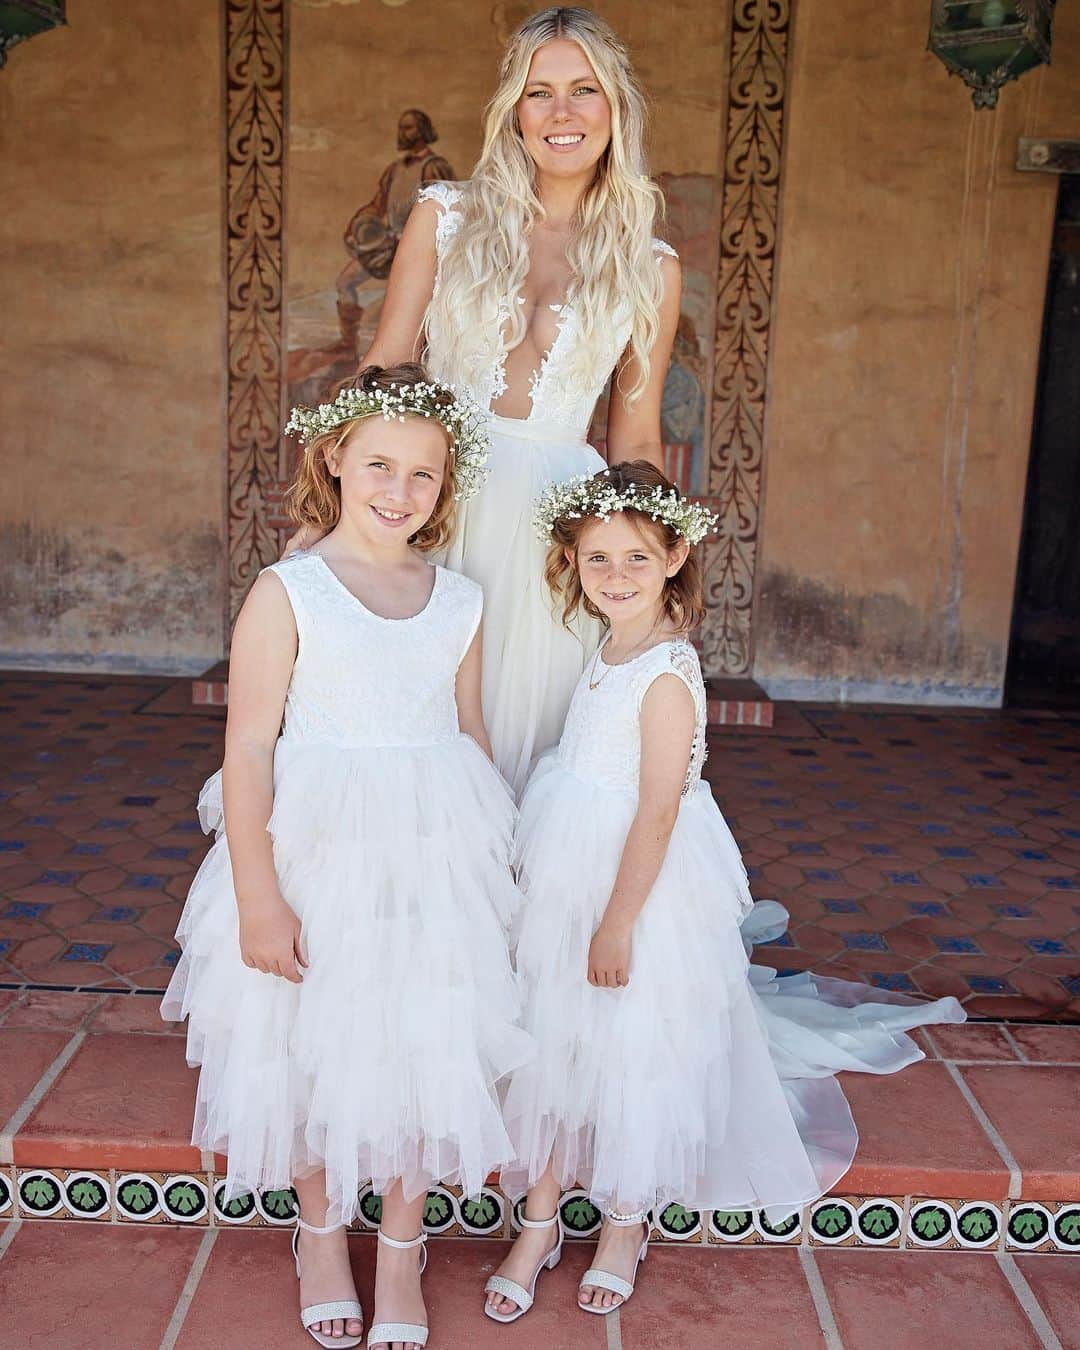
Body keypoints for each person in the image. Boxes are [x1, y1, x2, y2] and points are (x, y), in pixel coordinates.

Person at [482, 463, 967, 1322]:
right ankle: (541, 1218)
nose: (616, 576)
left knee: (637, 1044)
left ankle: (626, 1221)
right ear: (573, 565)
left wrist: (618, 923)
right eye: (597, 560)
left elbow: (661, 809)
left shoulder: (667, 671)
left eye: (635, 558)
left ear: (674, 555)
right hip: (572, 856)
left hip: (639, 885)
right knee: (557, 1033)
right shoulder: (611, 644)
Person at [162, 364, 528, 1350]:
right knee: (313, 1045)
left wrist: (493, 869)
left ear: (445, 483)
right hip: (316, 852)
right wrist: (257, 896)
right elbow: (245, 748)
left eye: (422, 473)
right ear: (334, 458)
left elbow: (470, 734)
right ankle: (320, 1239)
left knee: (421, 1040)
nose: (398, 490)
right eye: (378, 464)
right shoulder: (290, 593)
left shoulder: (457, 599)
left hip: (432, 850)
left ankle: (401, 1253)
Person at [295, 7, 682, 794]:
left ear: (617, 108)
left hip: (557, 526)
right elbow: (385, 370)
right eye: (540, 93)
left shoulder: (651, 265)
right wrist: (319, 528)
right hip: (437, 503)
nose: (562, 114)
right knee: (413, 723)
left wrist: (652, 579)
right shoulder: (447, 217)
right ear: (513, 110)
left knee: (538, 739)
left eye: (585, 90)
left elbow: (636, 435)